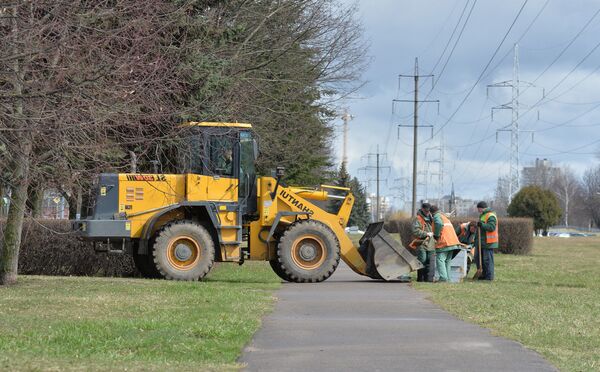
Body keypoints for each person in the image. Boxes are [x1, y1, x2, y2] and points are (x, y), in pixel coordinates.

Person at [430, 205, 461, 282]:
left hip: (445, 242)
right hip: (453, 241)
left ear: (431, 213)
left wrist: (436, 235)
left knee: (440, 259)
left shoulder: (437, 216)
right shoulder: (444, 217)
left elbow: (439, 224)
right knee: (447, 261)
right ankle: (448, 279)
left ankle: (443, 278)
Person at [409, 202, 434, 282]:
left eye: (429, 211)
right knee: (422, 261)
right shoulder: (418, 218)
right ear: (422, 209)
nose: (427, 212)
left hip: (431, 244)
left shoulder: (431, 218)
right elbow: (415, 231)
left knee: (429, 262)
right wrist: (426, 233)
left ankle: (427, 279)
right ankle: (420, 279)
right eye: (426, 211)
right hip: (422, 243)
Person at [474, 201, 498, 281]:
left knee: (487, 260)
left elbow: (491, 227)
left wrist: (482, 225)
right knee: (479, 259)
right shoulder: (482, 215)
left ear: (482, 208)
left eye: (478, 209)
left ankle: (489, 277)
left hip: (489, 242)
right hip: (482, 242)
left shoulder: (491, 215)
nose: (478, 210)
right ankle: (482, 274)